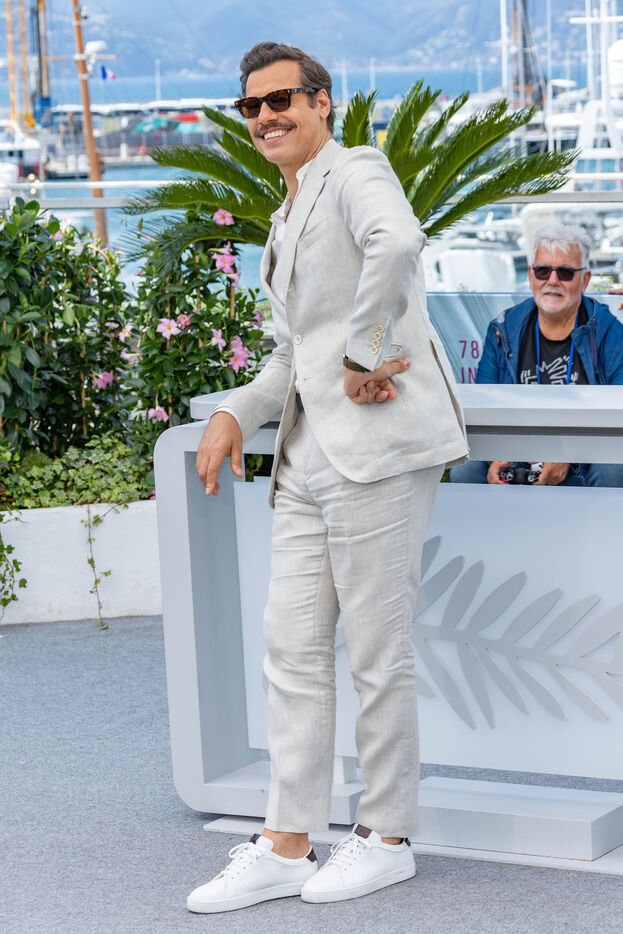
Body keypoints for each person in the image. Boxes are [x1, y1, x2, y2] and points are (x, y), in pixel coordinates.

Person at [190, 41, 468, 914]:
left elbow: (398, 241)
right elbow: (289, 355)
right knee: (292, 649)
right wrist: (235, 412)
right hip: (306, 457)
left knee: (377, 652)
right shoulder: (284, 216)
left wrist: (361, 352)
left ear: (321, 103)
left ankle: (385, 837)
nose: (266, 116)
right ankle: (286, 843)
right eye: (252, 106)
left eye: (282, 100)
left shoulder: (355, 170)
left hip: (376, 450)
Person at [451, 222, 623, 487]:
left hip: (585, 456)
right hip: (518, 450)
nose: (552, 281)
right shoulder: (503, 329)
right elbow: (485, 405)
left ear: (585, 280)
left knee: (612, 468)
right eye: (543, 271)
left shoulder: (609, 332)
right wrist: (498, 455)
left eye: (565, 273)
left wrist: (569, 455)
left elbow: (617, 416)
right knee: (466, 468)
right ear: (531, 276)